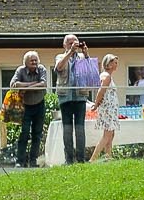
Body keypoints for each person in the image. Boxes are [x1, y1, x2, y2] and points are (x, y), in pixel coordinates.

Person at [52, 33, 94, 165]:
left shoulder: (82, 57)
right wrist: (70, 52)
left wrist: (86, 55)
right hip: (65, 97)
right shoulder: (60, 56)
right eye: (70, 43)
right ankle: (69, 159)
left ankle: (81, 159)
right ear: (64, 45)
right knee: (67, 129)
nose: (73, 45)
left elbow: (91, 73)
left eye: (75, 42)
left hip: (80, 96)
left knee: (80, 129)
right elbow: (59, 67)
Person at [8, 50, 49, 167]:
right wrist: (33, 84)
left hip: (39, 105)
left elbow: (43, 84)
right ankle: (20, 161)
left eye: (36, 60)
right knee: (24, 133)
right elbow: (13, 85)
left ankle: (33, 161)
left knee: (37, 134)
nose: (34, 62)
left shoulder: (42, 69)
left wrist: (25, 87)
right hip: (25, 106)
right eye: (32, 61)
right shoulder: (20, 70)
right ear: (26, 63)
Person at [87, 54, 122, 163]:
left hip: (110, 109)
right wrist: (96, 104)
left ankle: (108, 156)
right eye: (115, 63)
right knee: (107, 135)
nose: (116, 65)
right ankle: (93, 159)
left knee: (111, 134)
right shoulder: (106, 76)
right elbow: (101, 91)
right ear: (109, 64)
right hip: (108, 109)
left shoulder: (106, 76)